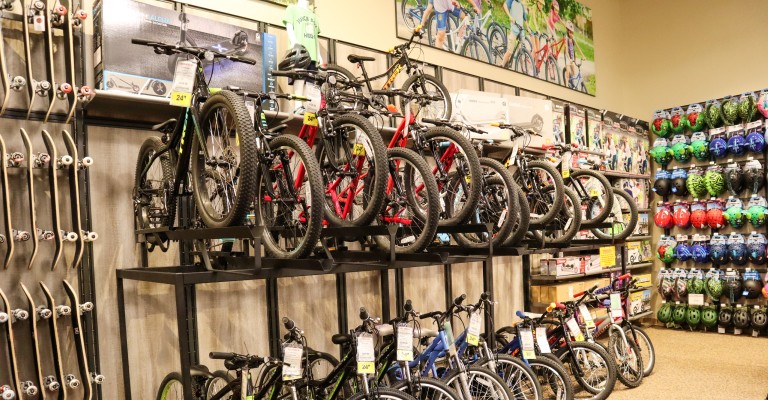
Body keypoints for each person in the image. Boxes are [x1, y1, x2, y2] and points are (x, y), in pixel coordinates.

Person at [283, 0, 321, 111]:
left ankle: (307, 107)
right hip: (299, 52)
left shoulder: (314, 16)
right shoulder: (292, 9)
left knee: (310, 82)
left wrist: (318, 54)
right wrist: (294, 42)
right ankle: (298, 105)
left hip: (312, 54)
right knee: (299, 78)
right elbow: (289, 27)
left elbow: (316, 37)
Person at [499, 0, 528, 68]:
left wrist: (528, 28)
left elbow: (525, 18)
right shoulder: (511, 1)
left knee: (521, 50)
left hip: (521, 31)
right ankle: (502, 64)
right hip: (514, 29)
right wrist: (510, 16)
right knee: (510, 51)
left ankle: (523, 69)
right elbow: (504, 5)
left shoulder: (521, 4)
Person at [564, 21, 587, 88]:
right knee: (568, 72)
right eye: (570, 32)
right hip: (568, 57)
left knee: (574, 71)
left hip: (572, 57)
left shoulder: (573, 38)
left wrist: (583, 56)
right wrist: (569, 59)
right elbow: (567, 51)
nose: (571, 34)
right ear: (568, 31)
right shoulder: (566, 39)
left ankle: (573, 84)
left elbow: (578, 47)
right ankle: (566, 85)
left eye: (572, 32)